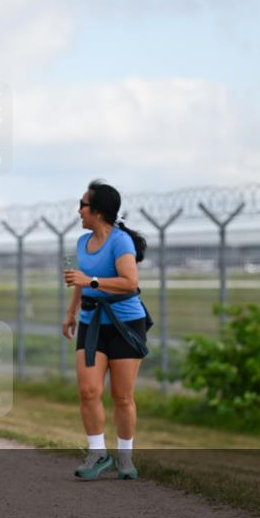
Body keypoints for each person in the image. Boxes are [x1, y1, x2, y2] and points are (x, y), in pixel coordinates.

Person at [61, 180, 151, 481]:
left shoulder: (120, 241)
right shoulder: (79, 243)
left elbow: (130, 282)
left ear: (97, 211)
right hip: (91, 322)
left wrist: (92, 282)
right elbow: (79, 280)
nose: (79, 210)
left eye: (83, 204)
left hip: (125, 324)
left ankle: (125, 458)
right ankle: (98, 453)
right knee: (88, 391)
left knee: (122, 396)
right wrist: (72, 312)